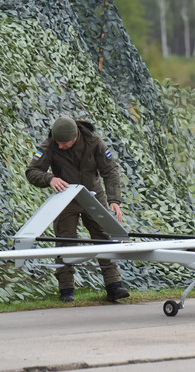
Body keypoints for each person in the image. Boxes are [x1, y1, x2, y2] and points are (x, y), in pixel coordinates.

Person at [26, 117, 130, 303]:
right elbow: (32, 171)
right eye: (57, 142)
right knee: (64, 240)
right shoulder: (50, 145)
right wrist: (50, 179)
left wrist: (114, 200)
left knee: (103, 236)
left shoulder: (94, 142)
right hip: (65, 196)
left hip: (93, 195)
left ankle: (114, 285)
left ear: (74, 137)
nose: (59, 146)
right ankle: (66, 289)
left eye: (63, 143)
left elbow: (110, 170)